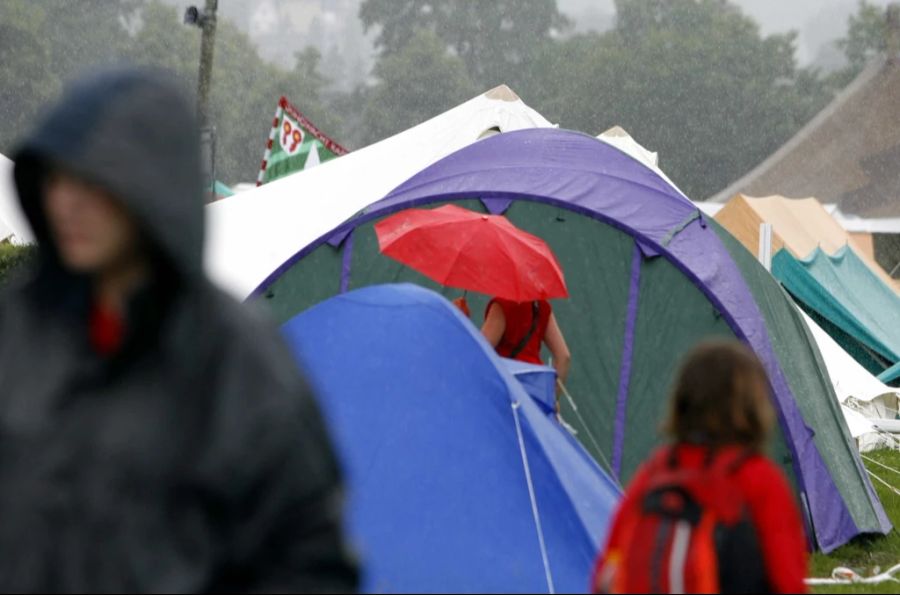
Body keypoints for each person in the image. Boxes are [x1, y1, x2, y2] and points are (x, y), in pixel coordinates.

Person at [0, 67, 358, 592]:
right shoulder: (16, 331)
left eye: (93, 182)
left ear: (150, 188)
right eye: (57, 178)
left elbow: (306, 557)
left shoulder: (238, 363)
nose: (66, 203)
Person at [591, 340, 808, 594]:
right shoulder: (758, 477)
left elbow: (605, 572)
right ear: (752, 404)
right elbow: (789, 581)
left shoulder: (657, 470)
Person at [481, 297, 571, 411]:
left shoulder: (502, 305)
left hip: (506, 394)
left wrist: (460, 317)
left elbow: (479, 351)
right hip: (537, 395)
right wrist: (552, 400)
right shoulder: (541, 306)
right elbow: (564, 357)